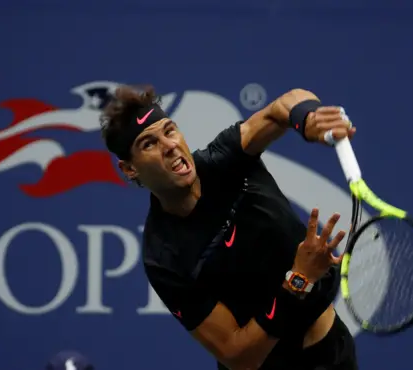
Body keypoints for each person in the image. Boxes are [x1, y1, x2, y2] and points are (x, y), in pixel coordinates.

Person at [99, 85, 359, 370]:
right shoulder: (164, 256)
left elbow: (281, 108)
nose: (169, 145)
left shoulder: (225, 159)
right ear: (129, 169)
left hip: (333, 353)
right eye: (149, 144)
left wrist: (307, 118)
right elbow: (239, 356)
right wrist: (299, 279)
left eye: (170, 131)